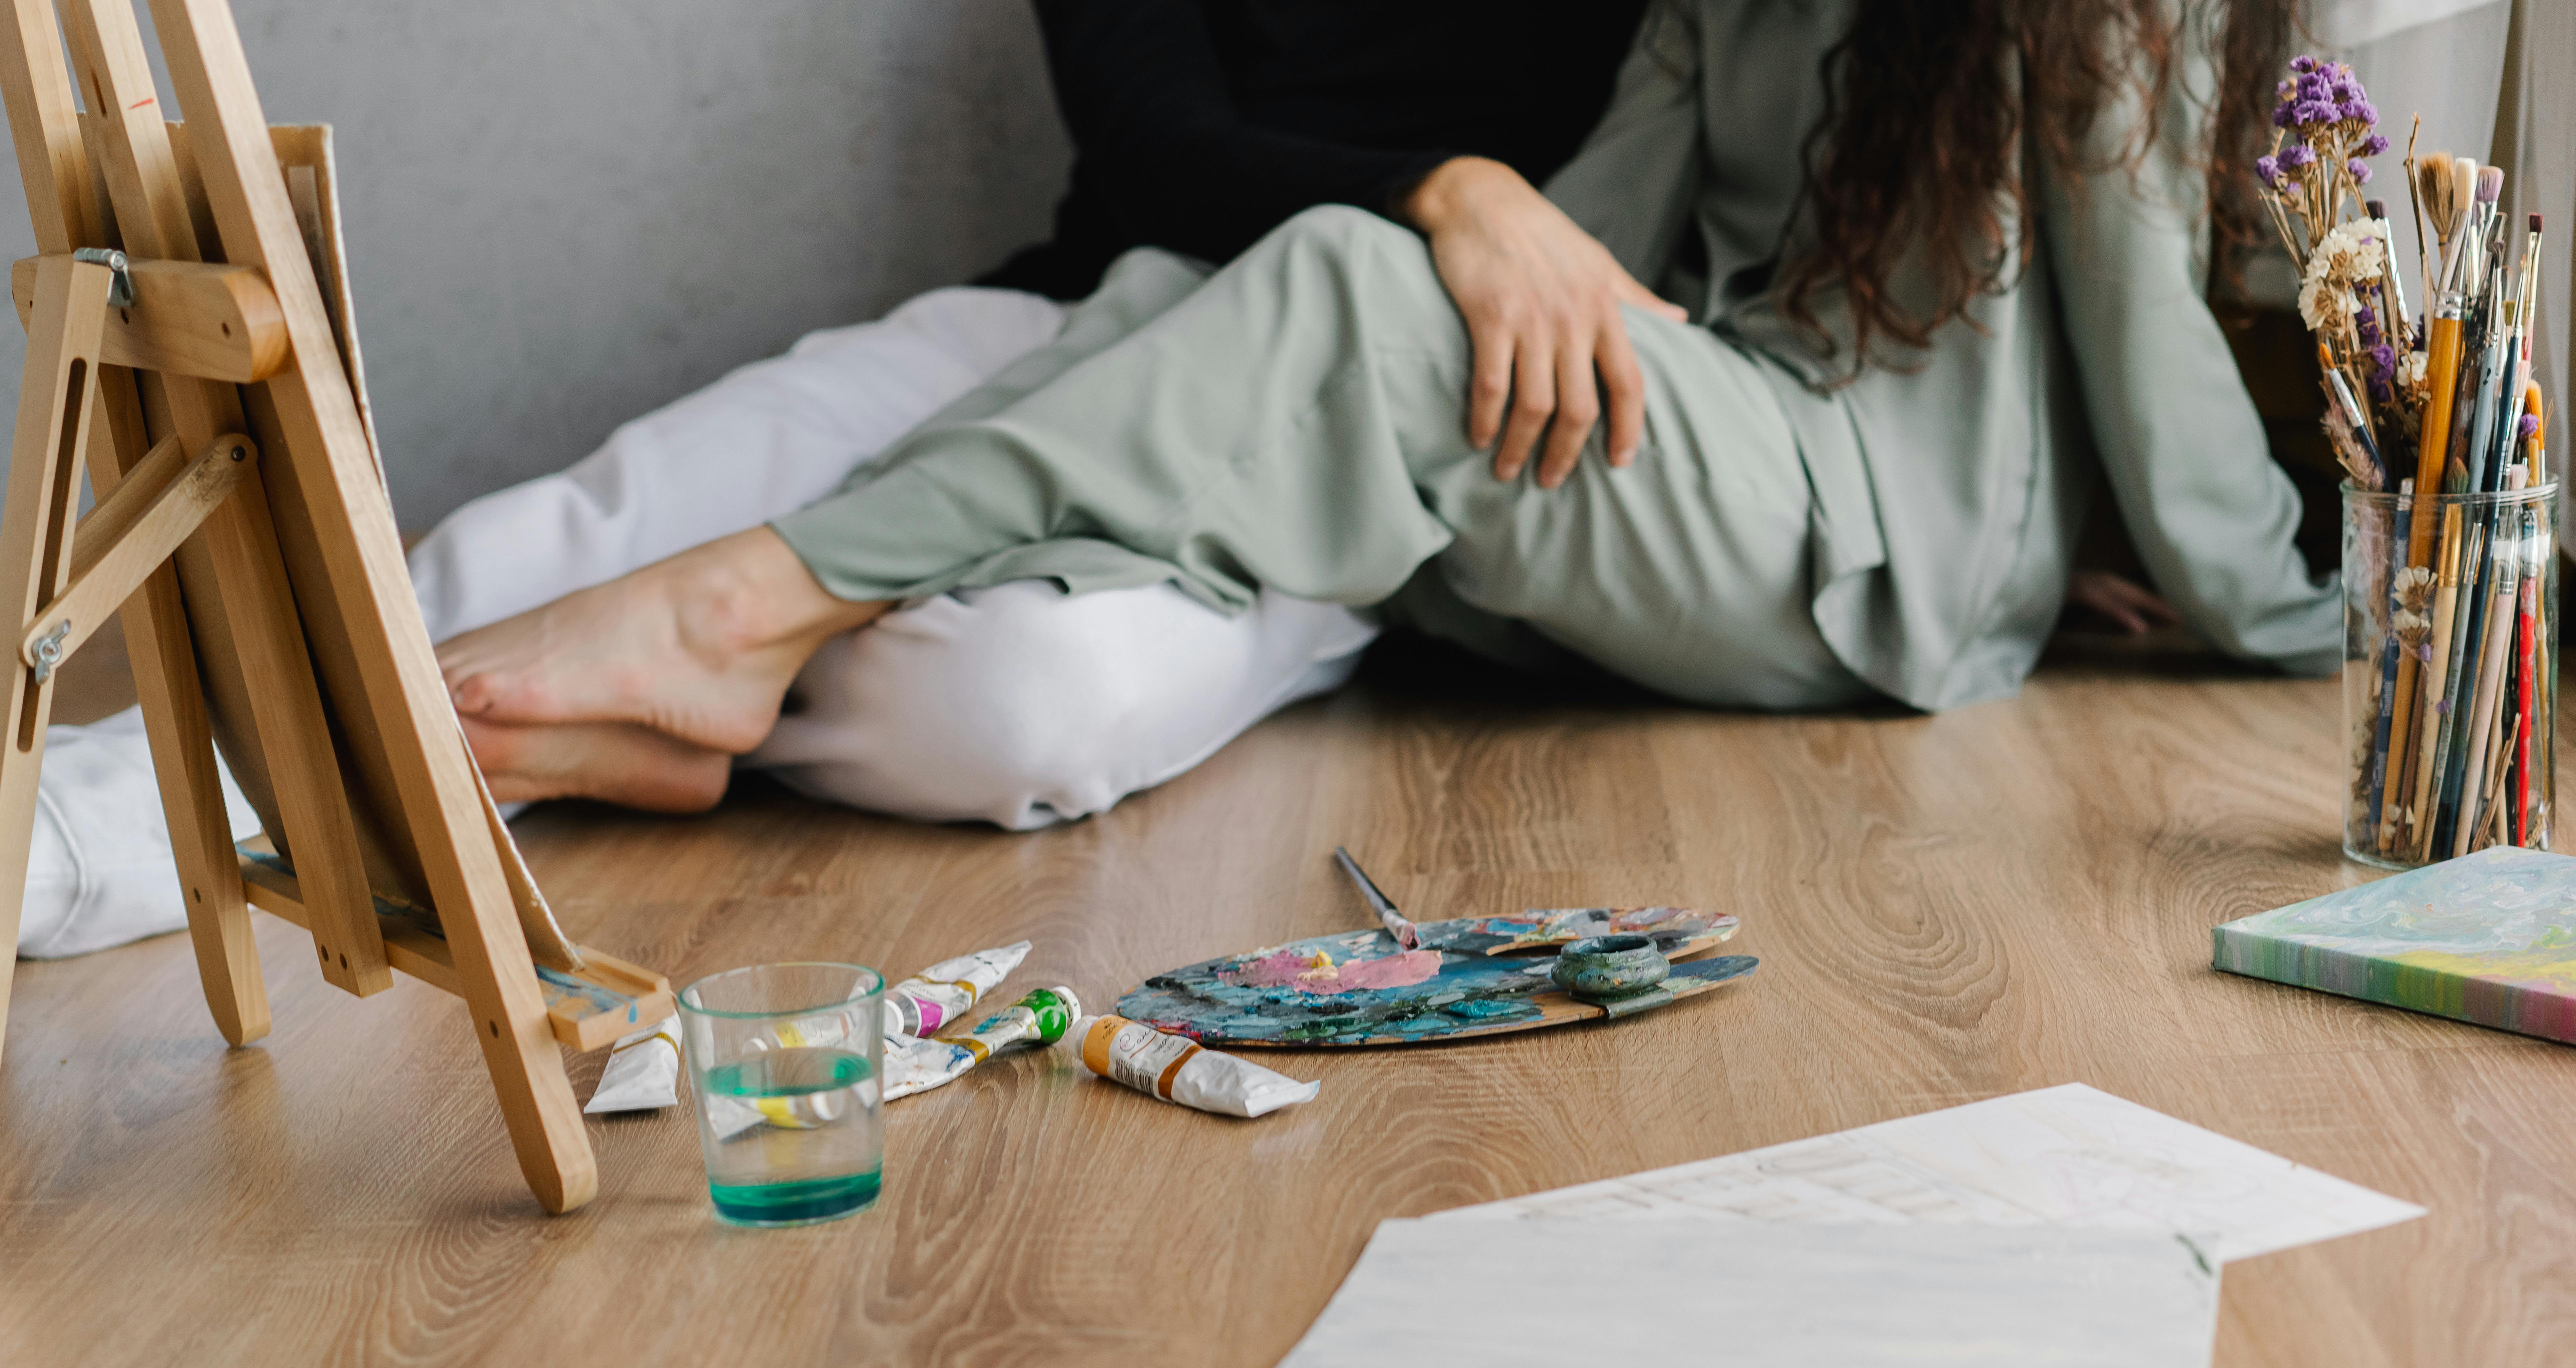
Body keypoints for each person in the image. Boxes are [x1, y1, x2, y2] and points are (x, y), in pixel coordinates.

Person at [440, 0, 2334, 819]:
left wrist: (2304, 623)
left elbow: (2153, 360)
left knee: (1350, 277)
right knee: (1277, 285)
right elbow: (1589, 246)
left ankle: (735, 614)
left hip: (1885, 554)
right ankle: (743, 643)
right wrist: (1425, 285)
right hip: (1741, 435)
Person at [409, 0, 1660, 827]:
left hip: (1333, 436)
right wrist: (1442, 191)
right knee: (501, 565)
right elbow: (1152, 146)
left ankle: (694, 714)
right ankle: (255, 836)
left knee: (993, 707)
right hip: (1069, 311)